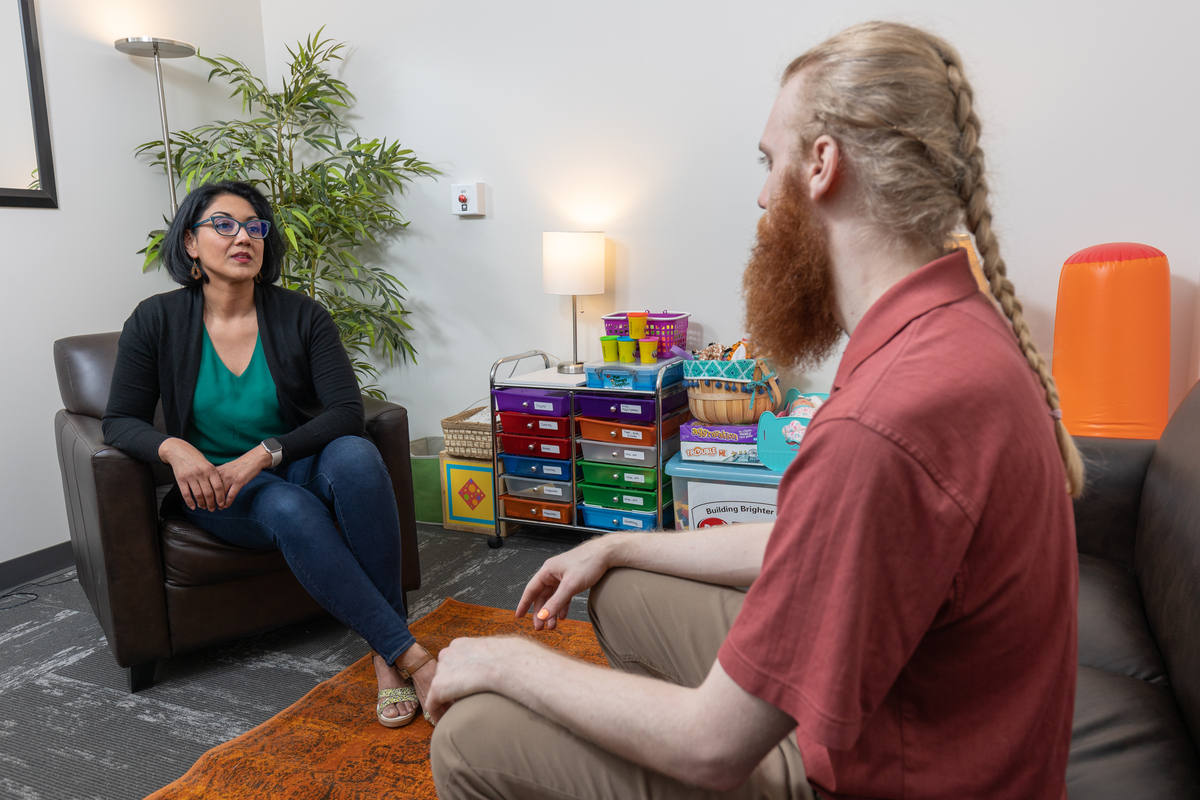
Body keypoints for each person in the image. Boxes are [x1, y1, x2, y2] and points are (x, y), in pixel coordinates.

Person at [426, 21, 1082, 800]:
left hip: (892, 769)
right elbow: (819, 539)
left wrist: (500, 660)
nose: (762, 194)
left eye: (769, 162)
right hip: (937, 722)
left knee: (472, 737)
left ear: (822, 163)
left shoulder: (883, 423)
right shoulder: (950, 330)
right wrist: (617, 547)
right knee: (624, 585)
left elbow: (713, 747)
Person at [102, 180, 437, 728]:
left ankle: (385, 652)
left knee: (354, 455)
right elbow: (119, 421)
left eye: (255, 227)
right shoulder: (155, 320)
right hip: (219, 488)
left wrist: (265, 453)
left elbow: (344, 414)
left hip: (289, 461)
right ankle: (411, 657)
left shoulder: (302, 315)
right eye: (224, 225)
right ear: (190, 242)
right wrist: (176, 448)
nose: (244, 237)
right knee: (287, 507)